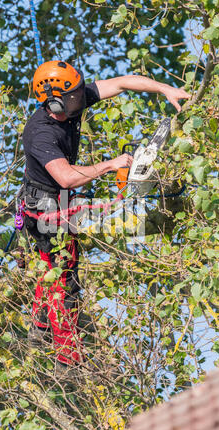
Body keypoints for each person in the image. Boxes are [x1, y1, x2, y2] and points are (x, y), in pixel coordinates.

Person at [21, 60, 190, 373]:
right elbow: (67, 178)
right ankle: (67, 362)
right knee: (64, 280)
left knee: (52, 265)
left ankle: (39, 327)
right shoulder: (40, 133)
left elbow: (123, 82)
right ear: (55, 100)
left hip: (59, 202)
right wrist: (110, 165)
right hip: (45, 210)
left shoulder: (72, 100)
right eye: (73, 96)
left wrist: (165, 89)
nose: (81, 99)